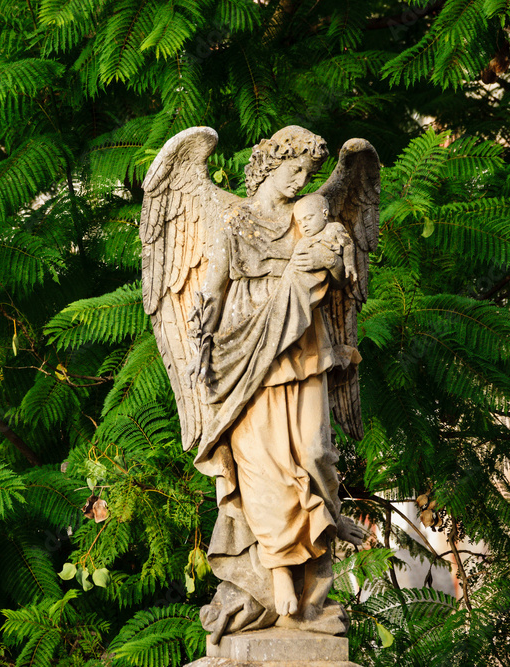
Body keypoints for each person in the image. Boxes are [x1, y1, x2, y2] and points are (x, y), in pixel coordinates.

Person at [190, 126, 361, 637]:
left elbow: (342, 274)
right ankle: (281, 573)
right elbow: (214, 287)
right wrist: (204, 343)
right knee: (262, 466)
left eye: (309, 174)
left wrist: (330, 262)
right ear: (268, 166)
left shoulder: (313, 216)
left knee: (314, 455)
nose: (301, 180)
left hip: (305, 343)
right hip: (248, 350)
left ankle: (313, 583)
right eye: (294, 170)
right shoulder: (234, 218)